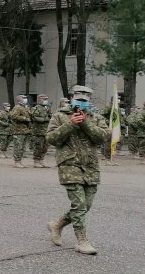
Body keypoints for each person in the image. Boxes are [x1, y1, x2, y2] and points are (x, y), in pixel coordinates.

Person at [46, 86, 109, 255]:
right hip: (69, 165)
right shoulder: (59, 116)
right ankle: (82, 240)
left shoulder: (96, 117)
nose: (81, 103)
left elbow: (103, 137)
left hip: (90, 166)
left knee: (86, 205)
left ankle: (57, 224)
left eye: (85, 100)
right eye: (78, 99)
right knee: (79, 204)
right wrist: (70, 124)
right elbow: (52, 138)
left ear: (89, 101)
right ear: (72, 98)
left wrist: (86, 123)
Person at [9, 96, 32, 166]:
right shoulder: (17, 107)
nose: (25, 99)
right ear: (19, 100)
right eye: (24, 98)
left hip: (25, 130)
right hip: (18, 130)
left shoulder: (25, 107)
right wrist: (24, 118)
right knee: (18, 147)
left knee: (22, 147)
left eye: (26, 97)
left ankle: (20, 161)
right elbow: (13, 116)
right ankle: (17, 162)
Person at [30, 94, 52, 167]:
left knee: (45, 146)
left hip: (46, 130)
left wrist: (50, 115)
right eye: (44, 99)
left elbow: (50, 116)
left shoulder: (47, 108)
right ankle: (36, 161)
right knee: (38, 146)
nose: (46, 101)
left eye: (46, 99)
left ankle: (41, 160)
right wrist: (44, 119)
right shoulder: (36, 108)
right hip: (38, 131)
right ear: (39, 100)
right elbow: (34, 117)